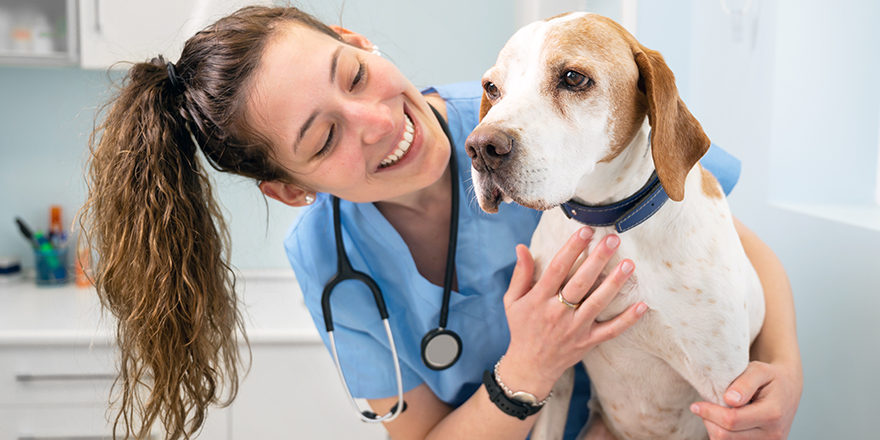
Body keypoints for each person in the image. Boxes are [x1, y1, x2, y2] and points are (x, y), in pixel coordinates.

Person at [81, 5, 802, 440]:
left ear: (357, 39)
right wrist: (531, 364)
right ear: (289, 191)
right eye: (323, 139)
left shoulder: (506, 119)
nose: (376, 122)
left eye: (354, 75)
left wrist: (785, 366)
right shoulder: (331, 260)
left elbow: (724, 240)